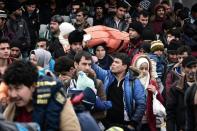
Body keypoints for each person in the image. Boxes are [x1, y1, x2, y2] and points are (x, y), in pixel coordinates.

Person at [2, 60, 71, 130]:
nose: (13, 94)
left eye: (18, 88)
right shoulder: (13, 105)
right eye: (10, 88)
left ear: (32, 86)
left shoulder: (58, 101)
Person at [92, 52, 146, 130]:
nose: (113, 64)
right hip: (107, 123)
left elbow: (141, 104)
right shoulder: (107, 76)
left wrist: (133, 124)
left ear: (124, 66)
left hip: (126, 125)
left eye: (117, 62)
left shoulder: (134, 82)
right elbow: (95, 68)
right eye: (113, 61)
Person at [131, 54, 165, 131]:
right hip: (135, 120)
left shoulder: (152, 82)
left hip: (149, 121)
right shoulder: (131, 83)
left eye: (146, 69)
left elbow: (161, 101)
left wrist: (155, 92)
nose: (144, 71)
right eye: (141, 68)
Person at [166, 56, 197, 131]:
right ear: (183, 68)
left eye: (195, 67)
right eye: (189, 67)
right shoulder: (176, 88)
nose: (193, 70)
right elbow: (170, 113)